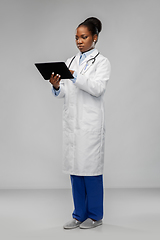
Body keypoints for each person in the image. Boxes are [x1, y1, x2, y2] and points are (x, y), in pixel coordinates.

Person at [49, 17, 111, 229]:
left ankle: (95, 216)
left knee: (91, 172)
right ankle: (78, 215)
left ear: (94, 38)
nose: (79, 41)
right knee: (76, 171)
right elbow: (64, 93)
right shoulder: (69, 62)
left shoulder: (102, 62)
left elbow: (97, 88)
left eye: (84, 37)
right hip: (73, 125)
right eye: (76, 37)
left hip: (90, 125)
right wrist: (57, 86)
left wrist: (75, 77)